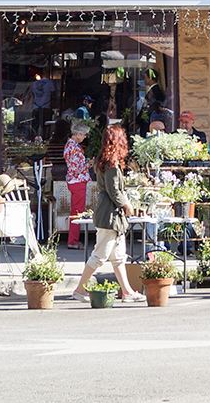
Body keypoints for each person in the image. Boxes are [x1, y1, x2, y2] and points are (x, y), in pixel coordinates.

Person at [71, 123, 145, 303]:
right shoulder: (112, 164)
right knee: (99, 256)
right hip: (109, 215)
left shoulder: (103, 160)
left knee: (118, 257)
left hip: (110, 214)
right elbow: (114, 191)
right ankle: (79, 290)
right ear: (118, 141)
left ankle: (127, 292)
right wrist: (127, 205)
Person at [62, 121, 91, 249]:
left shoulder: (70, 146)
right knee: (77, 213)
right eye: (84, 134)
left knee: (76, 211)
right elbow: (76, 169)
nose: (84, 137)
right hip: (77, 182)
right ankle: (73, 241)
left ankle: (73, 239)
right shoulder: (74, 147)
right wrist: (89, 164)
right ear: (78, 134)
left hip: (74, 181)